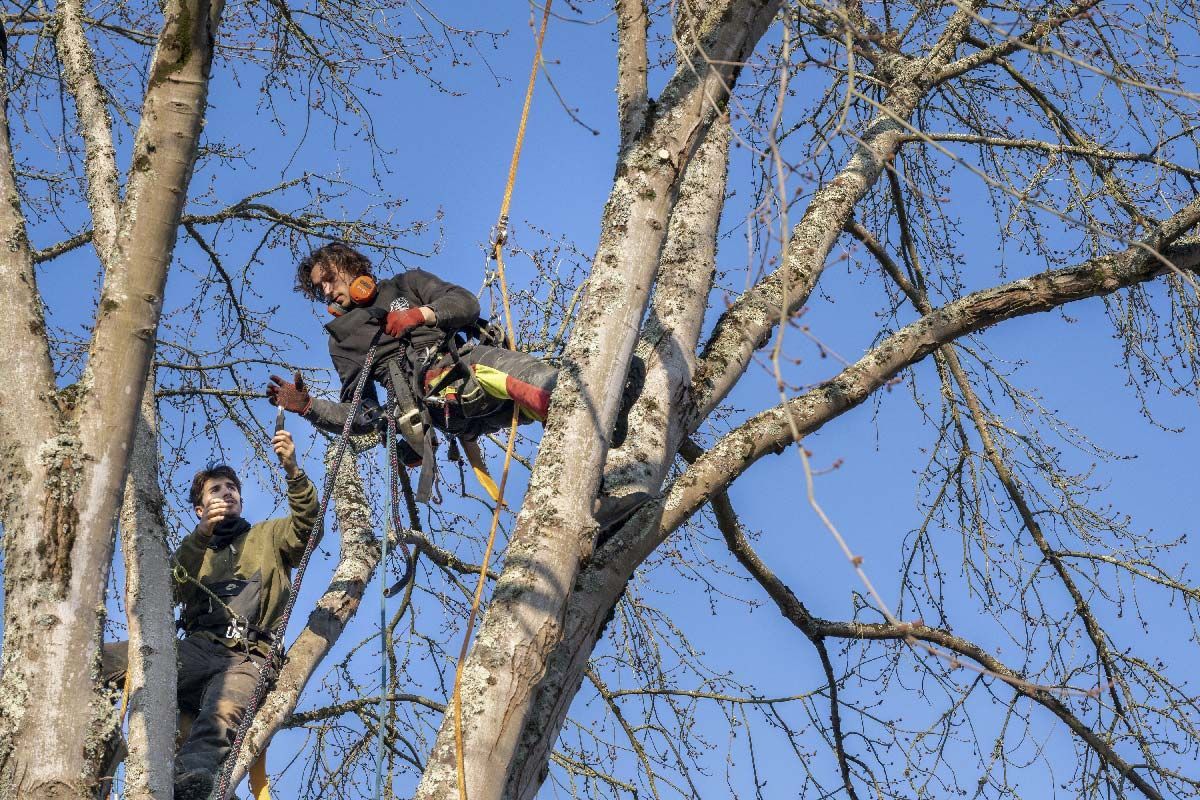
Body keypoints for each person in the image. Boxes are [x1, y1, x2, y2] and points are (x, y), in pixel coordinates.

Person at [101, 429, 318, 800]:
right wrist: (201, 536)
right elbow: (165, 592)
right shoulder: (194, 552)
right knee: (104, 661)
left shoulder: (269, 536)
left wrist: (293, 470)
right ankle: (96, 747)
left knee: (222, 717)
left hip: (247, 657)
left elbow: (307, 527)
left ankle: (191, 782)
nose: (226, 493)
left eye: (231, 487)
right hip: (197, 649)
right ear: (200, 509)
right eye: (216, 490)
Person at [266, 242, 566, 500]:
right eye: (320, 290)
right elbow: (361, 413)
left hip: (461, 370)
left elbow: (466, 304)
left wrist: (420, 314)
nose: (328, 291)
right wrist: (309, 407)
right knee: (553, 391)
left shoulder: (406, 284)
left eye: (329, 279)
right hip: (441, 399)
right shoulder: (342, 339)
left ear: (349, 265)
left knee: (551, 402)